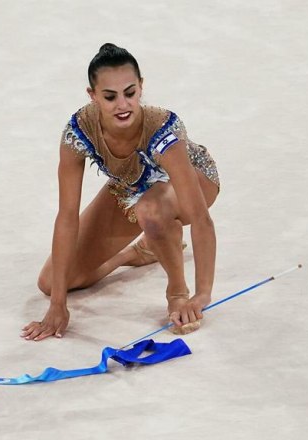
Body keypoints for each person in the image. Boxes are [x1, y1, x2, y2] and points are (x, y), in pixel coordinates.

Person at [21, 43, 221, 341]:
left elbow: (201, 219)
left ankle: (176, 290)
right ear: (92, 95)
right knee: (51, 281)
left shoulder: (162, 129)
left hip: (195, 181)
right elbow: (66, 216)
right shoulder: (78, 131)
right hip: (133, 188)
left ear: (141, 87)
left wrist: (202, 294)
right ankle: (137, 252)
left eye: (130, 93)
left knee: (151, 210)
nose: (122, 105)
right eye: (109, 97)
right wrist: (57, 304)